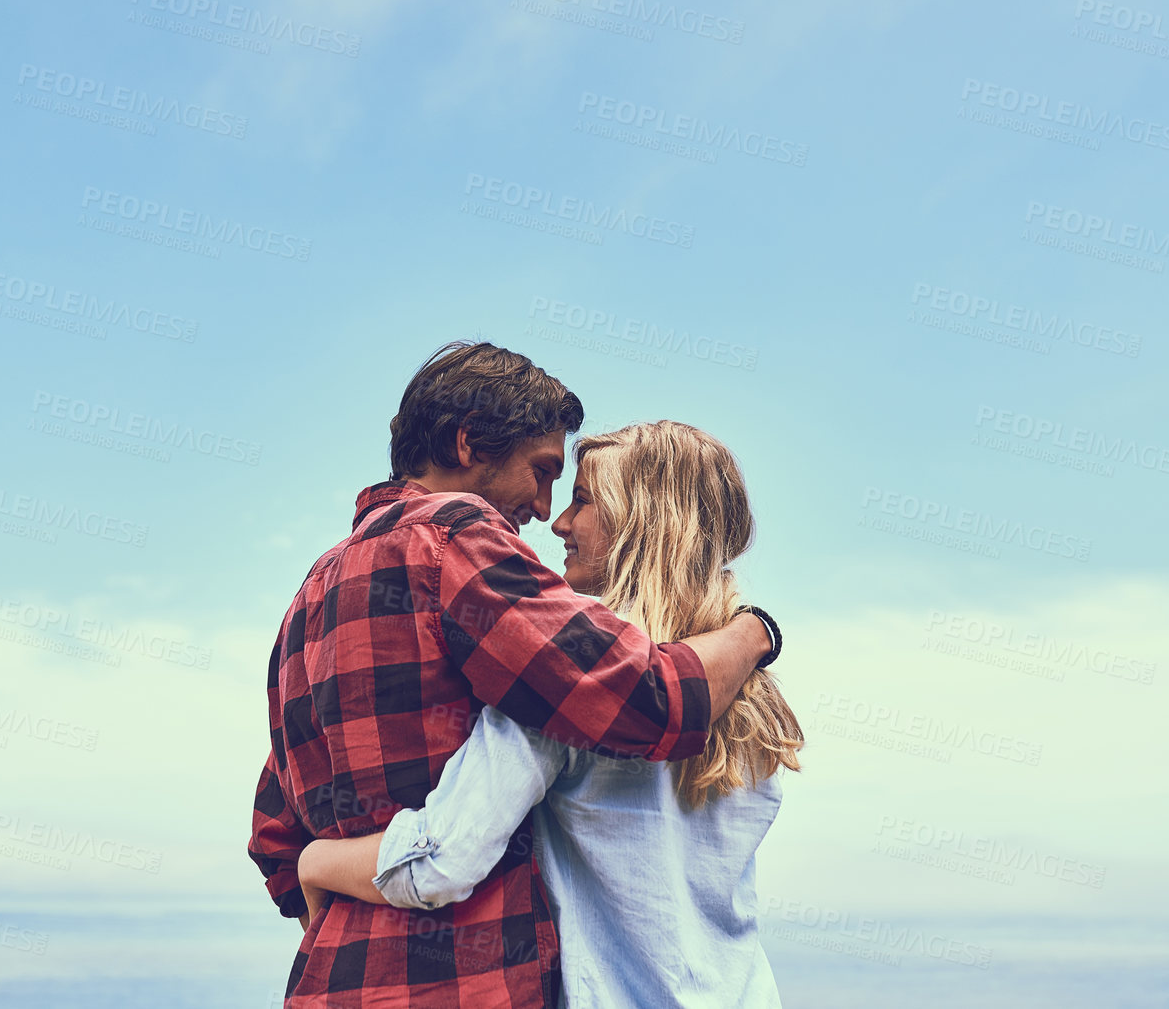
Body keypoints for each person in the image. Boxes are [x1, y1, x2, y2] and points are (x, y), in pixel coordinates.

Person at [248, 344, 782, 1008]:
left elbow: (277, 828)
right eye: (542, 471)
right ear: (467, 443)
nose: (544, 509)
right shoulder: (464, 552)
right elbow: (649, 698)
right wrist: (755, 630)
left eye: (573, 493)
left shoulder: (309, 600)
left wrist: (318, 870)